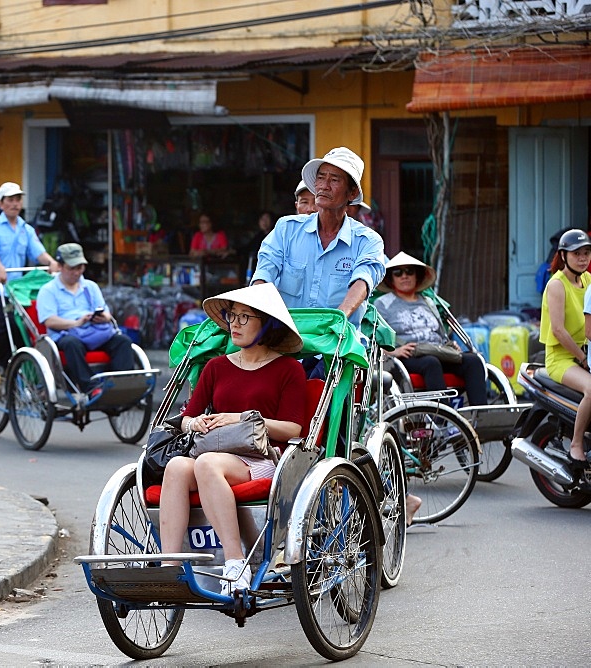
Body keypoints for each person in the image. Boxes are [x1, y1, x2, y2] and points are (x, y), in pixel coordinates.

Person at [158, 283, 306, 595]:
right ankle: (169, 568)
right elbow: (186, 417)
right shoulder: (216, 367)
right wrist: (193, 421)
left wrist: (243, 418)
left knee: (206, 465)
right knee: (176, 468)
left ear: (266, 324)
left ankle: (234, 563)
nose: (234, 325)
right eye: (231, 316)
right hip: (217, 452)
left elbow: (293, 429)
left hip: (265, 457)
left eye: (243, 318)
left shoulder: (288, 369)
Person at [252, 147, 385, 326]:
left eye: (334, 180)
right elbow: (264, 273)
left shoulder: (368, 241)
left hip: (337, 342)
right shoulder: (286, 229)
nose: (324, 185)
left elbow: (363, 281)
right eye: (321, 177)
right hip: (285, 337)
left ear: (352, 193)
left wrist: (337, 320)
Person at [375, 252, 489, 407]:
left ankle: (481, 415)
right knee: (431, 363)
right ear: (391, 278)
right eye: (398, 273)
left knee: (473, 361)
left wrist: (449, 345)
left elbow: (440, 332)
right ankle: (443, 418)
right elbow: (374, 337)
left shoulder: (428, 301)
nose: (404, 276)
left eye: (409, 271)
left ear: (417, 276)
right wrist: (394, 352)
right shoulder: (383, 304)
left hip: (437, 351)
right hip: (408, 356)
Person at [0, 182, 59, 382]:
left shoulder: (25, 229)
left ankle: (19, 371)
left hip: (14, 290)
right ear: (1, 204)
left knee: (27, 327)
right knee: (8, 323)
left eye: (18, 199)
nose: (15, 204)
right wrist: (0, 268)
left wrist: (52, 262)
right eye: (10, 200)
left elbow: (38, 253)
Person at [35, 243, 134, 396]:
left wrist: (103, 318)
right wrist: (76, 323)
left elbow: (106, 313)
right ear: (60, 266)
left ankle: (121, 386)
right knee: (72, 344)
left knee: (123, 341)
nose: (76, 273)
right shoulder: (48, 290)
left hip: (94, 332)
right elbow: (49, 321)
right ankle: (91, 388)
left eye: (80, 268)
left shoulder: (90, 286)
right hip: (66, 334)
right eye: (72, 268)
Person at [541, 229, 591, 474]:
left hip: (586, 352)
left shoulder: (588, 280)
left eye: (586, 253)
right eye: (576, 254)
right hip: (562, 358)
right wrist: (582, 358)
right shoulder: (556, 285)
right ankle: (576, 443)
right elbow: (559, 331)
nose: (582, 258)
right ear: (563, 255)